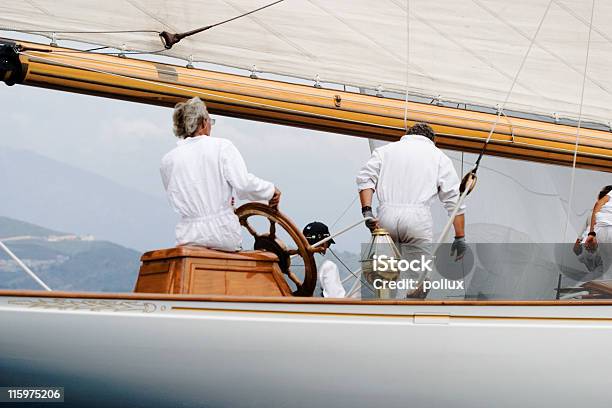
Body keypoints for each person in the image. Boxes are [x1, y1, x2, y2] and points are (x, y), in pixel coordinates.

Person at [160, 97, 281, 251]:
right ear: (203, 122)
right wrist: (270, 191)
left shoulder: (168, 161)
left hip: (188, 237)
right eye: (211, 121)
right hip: (222, 235)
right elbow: (243, 185)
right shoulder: (221, 147)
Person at [356, 122, 467, 259]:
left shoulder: (385, 151)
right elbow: (454, 199)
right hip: (417, 219)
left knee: (385, 273)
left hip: (386, 216)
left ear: (407, 135)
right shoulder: (439, 157)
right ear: (432, 140)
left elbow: (365, 178)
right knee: (417, 274)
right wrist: (460, 237)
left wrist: (367, 211)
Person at [303, 221, 345, 298]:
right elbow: (335, 298)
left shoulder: (293, 261)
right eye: (328, 244)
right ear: (324, 244)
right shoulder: (328, 266)